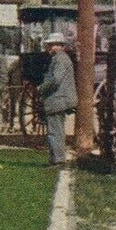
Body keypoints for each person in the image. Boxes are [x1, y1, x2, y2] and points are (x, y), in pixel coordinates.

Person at [36, 33, 76, 166]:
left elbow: (56, 80)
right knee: (56, 130)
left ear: (59, 46)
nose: (49, 47)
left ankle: (58, 160)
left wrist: (41, 88)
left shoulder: (60, 59)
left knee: (55, 131)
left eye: (51, 45)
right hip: (60, 99)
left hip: (57, 99)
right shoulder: (60, 59)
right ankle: (55, 159)